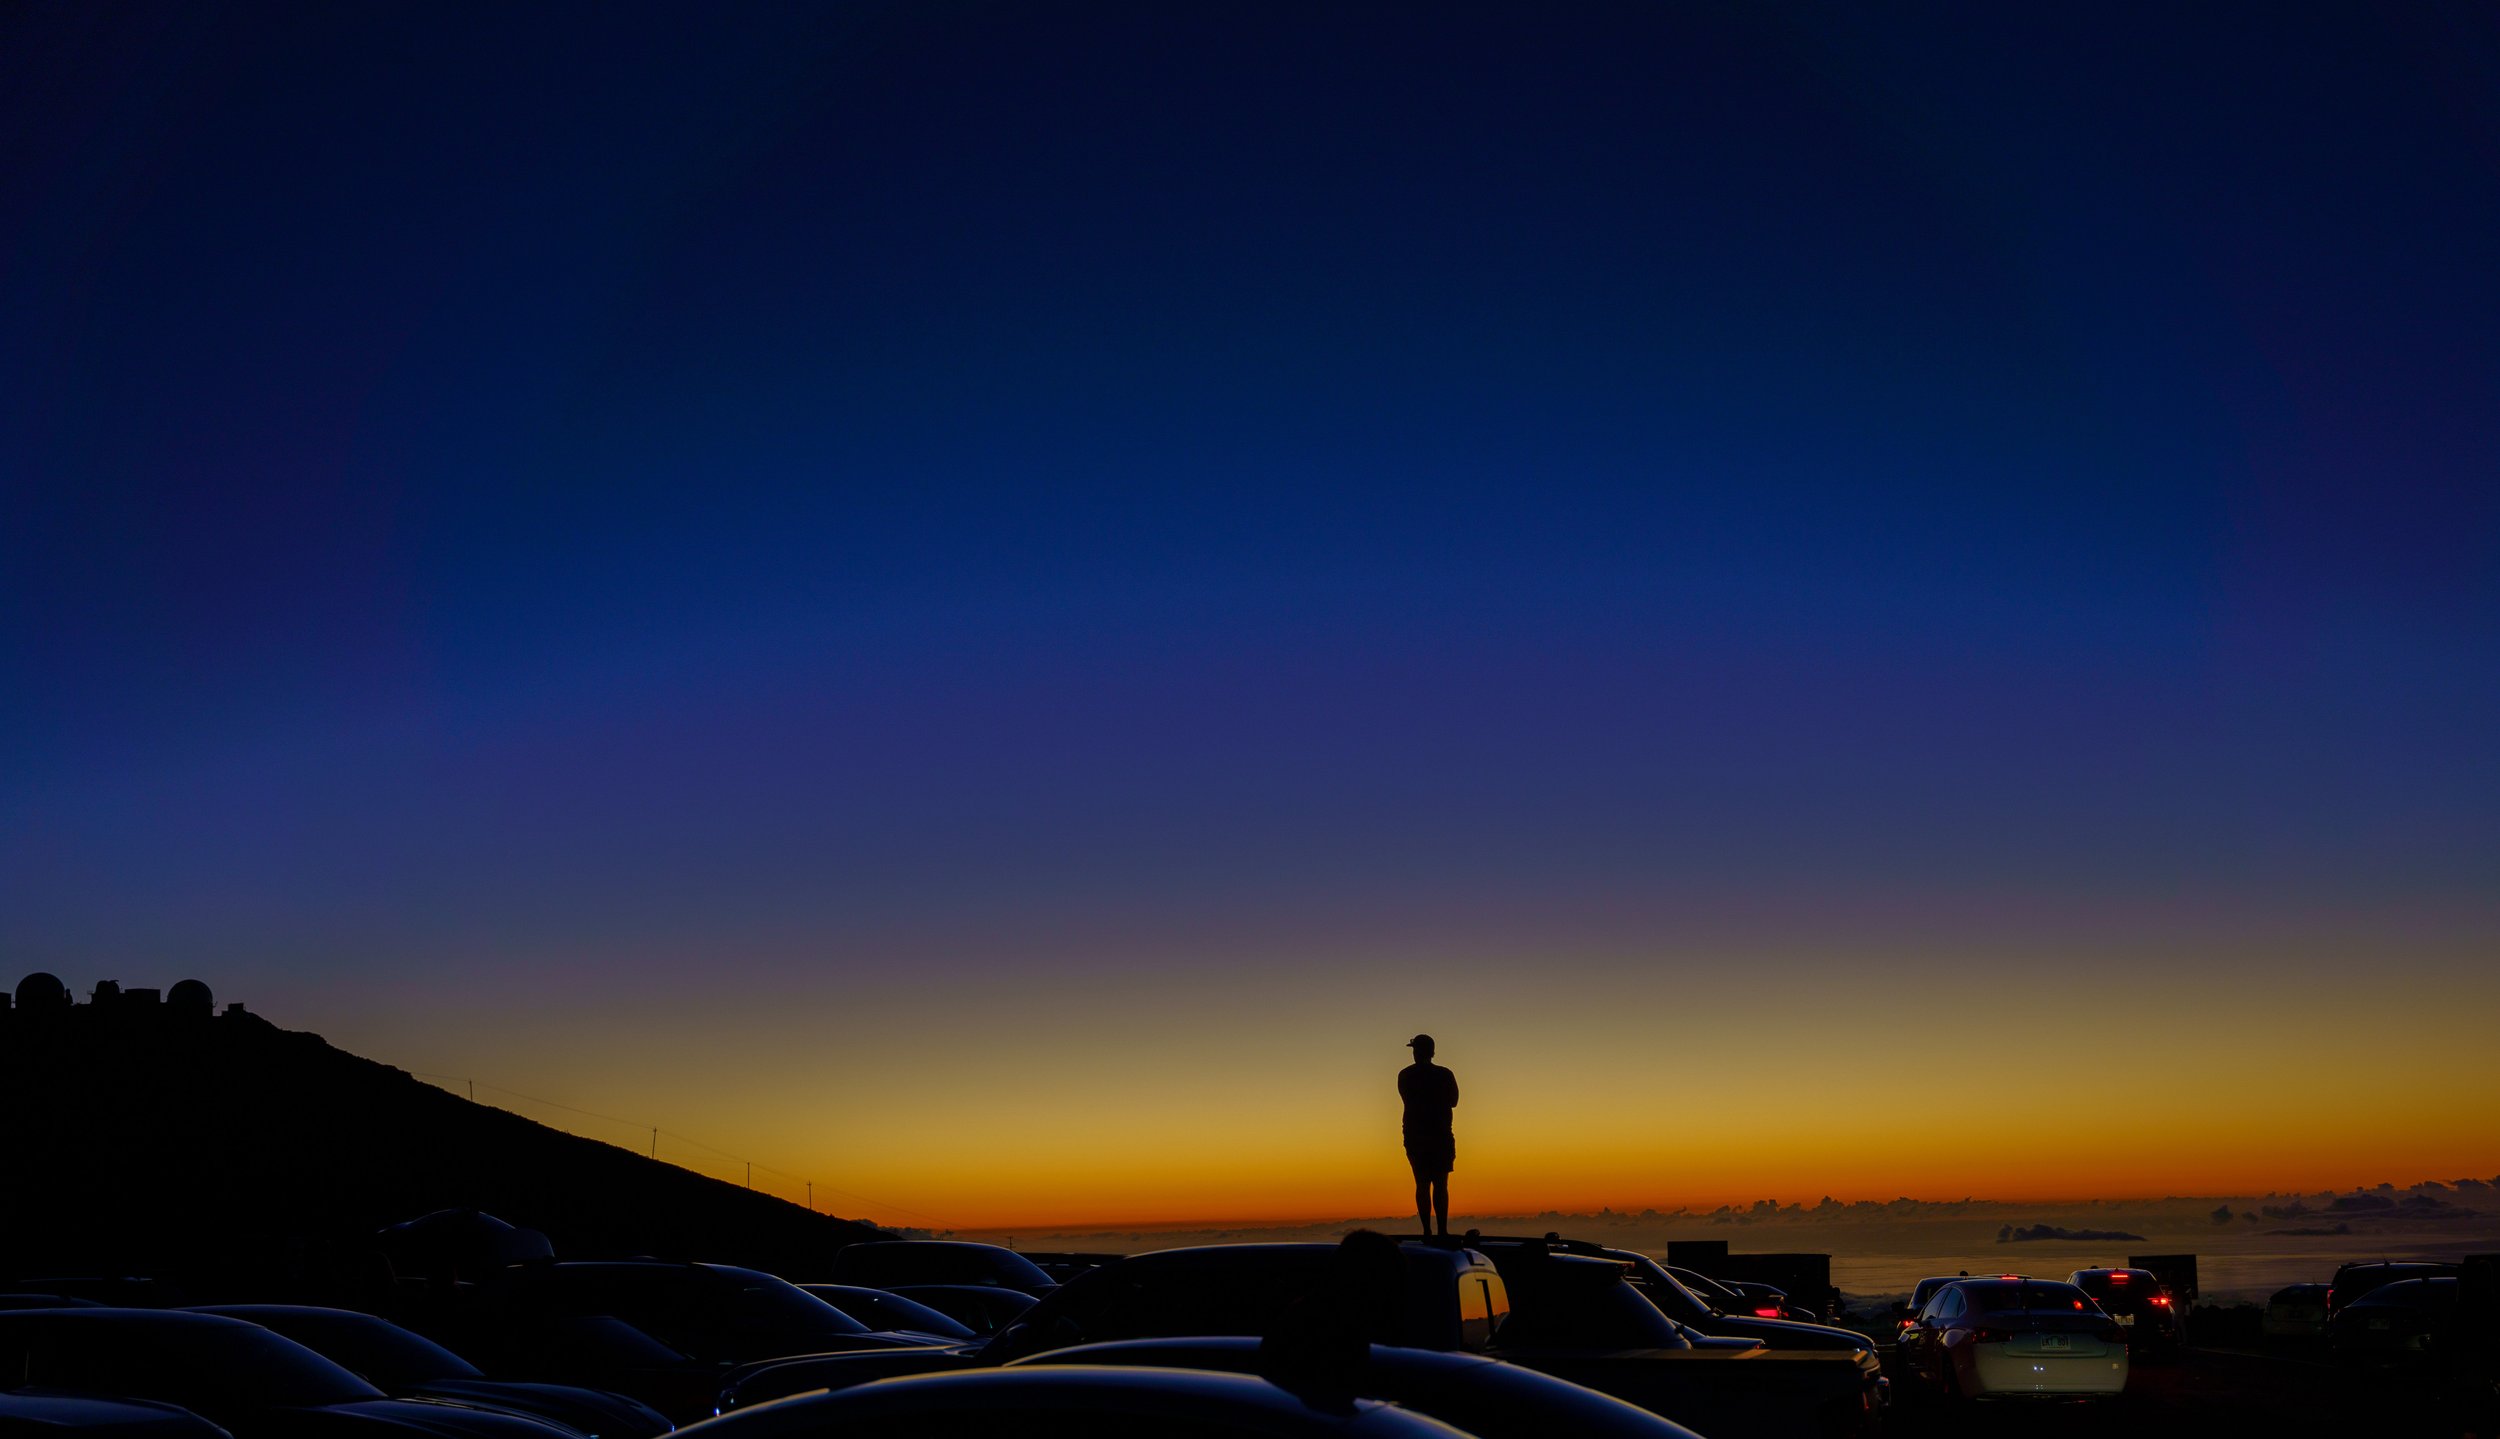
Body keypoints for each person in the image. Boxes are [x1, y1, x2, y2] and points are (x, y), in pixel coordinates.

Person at [1397, 1034, 1458, 1237]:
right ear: (1432, 1052)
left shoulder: (1405, 1075)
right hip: (1438, 1135)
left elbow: (1408, 1099)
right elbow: (1454, 1100)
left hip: (1417, 1137)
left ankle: (1427, 1232)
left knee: (1422, 1184)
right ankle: (1441, 1231)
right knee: (1440, 1184)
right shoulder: (1444, 1074)